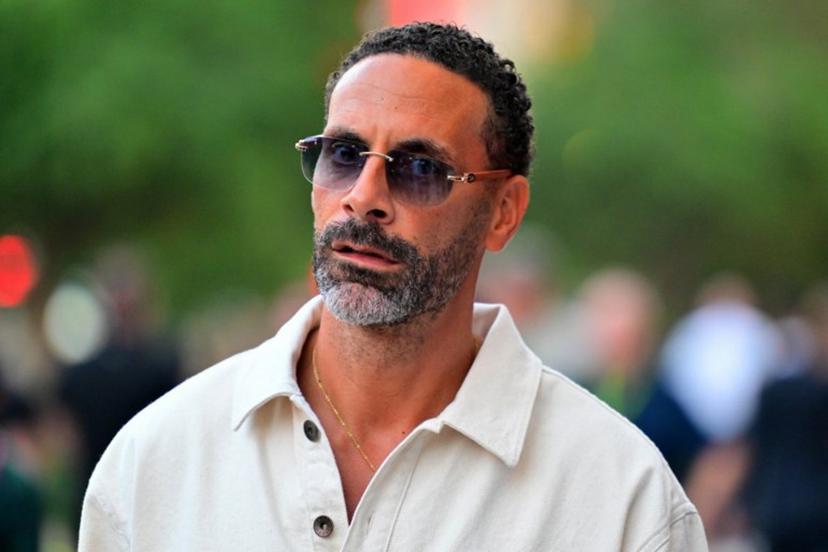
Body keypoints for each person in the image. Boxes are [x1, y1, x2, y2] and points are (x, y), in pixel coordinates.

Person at [79, 23, 706, 551]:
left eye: (421, 169)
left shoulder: (622, 499)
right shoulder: (157, 460)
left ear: (504, 212)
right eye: (344, 154)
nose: (364, 197)